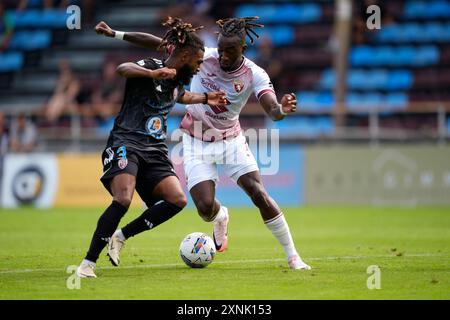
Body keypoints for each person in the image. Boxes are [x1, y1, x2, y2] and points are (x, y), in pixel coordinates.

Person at [95, 17, 311, 270]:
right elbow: (161, 43)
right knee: (205, 207)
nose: (223, 56)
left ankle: (293, 256)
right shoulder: (205, 56)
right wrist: (115, 33)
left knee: (259, 193)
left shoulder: (255, 74)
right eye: (220, 49)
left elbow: (272, 109)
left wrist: (282, 110)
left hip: (231, 140)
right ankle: (221, 216)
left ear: (243, 48)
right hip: (196, 141)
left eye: (229, 50)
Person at [76, 17, 227, 278]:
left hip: (155, 149)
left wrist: (206, 97)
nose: (200, 67)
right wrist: (151, 73)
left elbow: (180, 96)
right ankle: (87, 263)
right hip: (127, 141)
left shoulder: (179, 78)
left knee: (177, 200)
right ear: (185, 54)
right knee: (123, 198)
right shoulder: (153, 65)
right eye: (198, 61)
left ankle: (121, 236)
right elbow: (123, 68)